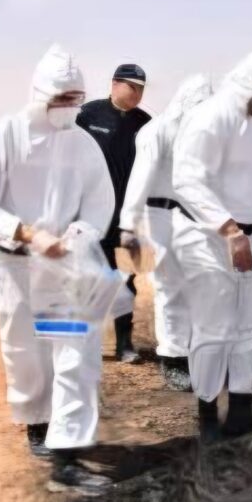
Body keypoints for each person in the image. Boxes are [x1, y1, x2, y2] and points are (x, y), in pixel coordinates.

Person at [0, 43, 116, 494]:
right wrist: (28, 234)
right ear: (39, 92)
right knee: (25, 352)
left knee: (75, 356)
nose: (70, 108)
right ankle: (37, 423)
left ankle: (66, 451)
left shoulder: (85, 144)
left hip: (68, 269)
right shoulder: (1, 137)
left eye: (77, 99)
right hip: (14, 267)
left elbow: (100, 201)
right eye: (62, 99)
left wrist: (77, 236)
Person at [171, 47, 252, 441]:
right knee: (214, 329)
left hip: (246, 235)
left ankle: (242, 410)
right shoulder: (210, 118)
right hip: (206, 237)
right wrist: (228, 230)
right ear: (249, 86)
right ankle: (208, 417)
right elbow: (188, 180)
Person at [118, 74, 213, 390]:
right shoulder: (156, 131)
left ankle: (198, 350)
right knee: (169, 287)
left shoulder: (202, 136)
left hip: (194, 219)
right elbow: (139, 179)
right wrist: (128, 226)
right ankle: (173, 358)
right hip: (157, 216)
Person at [76, 63, 153, 364]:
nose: (137, 93)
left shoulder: (145, 124)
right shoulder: (88, 116)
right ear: (114, 84)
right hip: (89, 216)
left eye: (141, 88)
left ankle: (124, 345)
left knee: (125, 282)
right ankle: (87, 344)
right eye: (132, 86)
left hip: (127, 219)